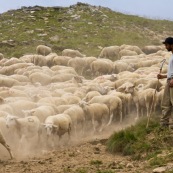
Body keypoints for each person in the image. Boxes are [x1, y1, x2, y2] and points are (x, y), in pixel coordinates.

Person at [157, 37, 173, 128]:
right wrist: (163, 76)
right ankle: (164, 123)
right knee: (166, 102)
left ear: (172, 45)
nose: (166, 47)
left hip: (172, 81)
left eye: (167, 45)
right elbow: (171, 72)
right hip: (169, 81)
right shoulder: (171, 56)